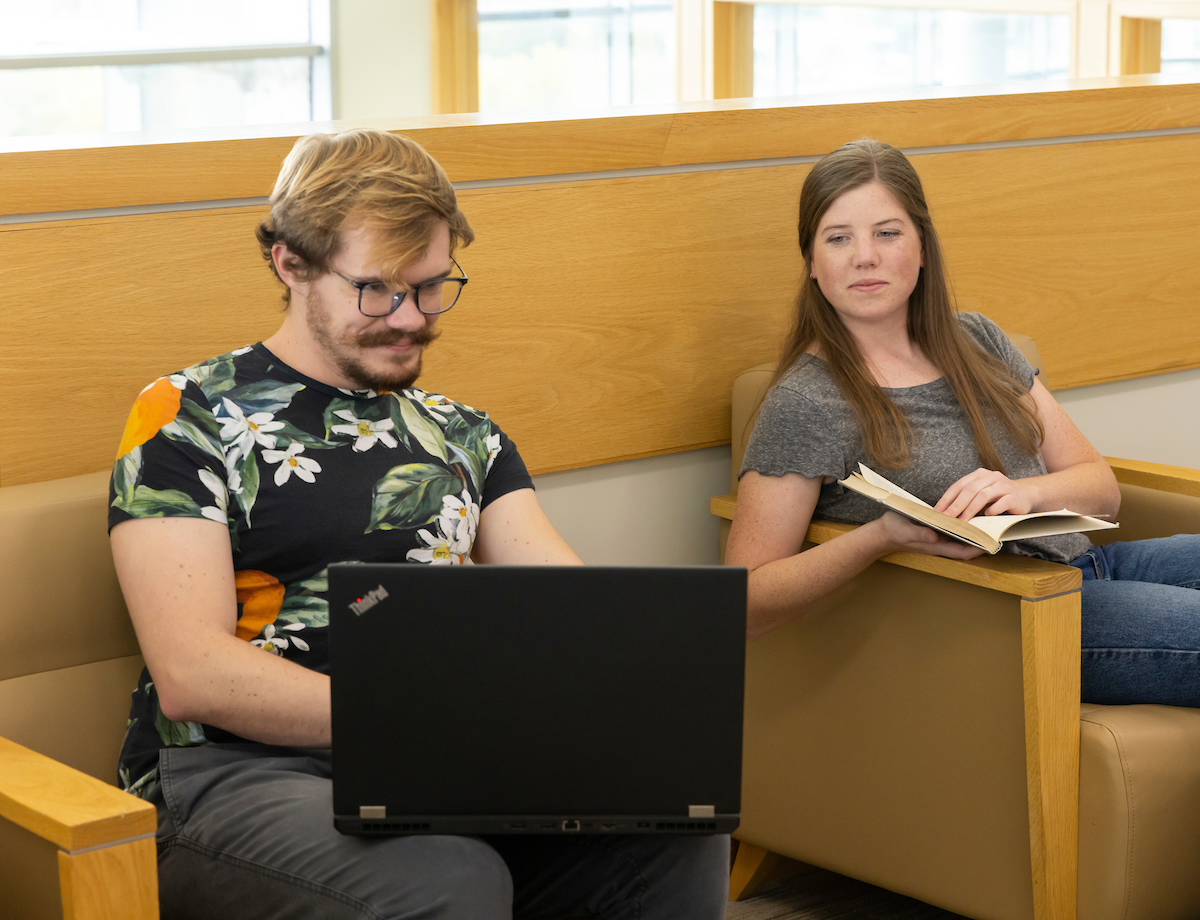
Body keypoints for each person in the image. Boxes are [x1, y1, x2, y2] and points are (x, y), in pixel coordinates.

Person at [109, 129, 729, 919]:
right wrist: (426, 724)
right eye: (376, 290)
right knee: (447, 877)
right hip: (233, 775)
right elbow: (193, 673)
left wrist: (621, 690)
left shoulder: (465, 433)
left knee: (673, 829)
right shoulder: (186, 415)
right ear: (289, 263)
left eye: (432, 286)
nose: (410, 317)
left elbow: (570, 611)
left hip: (435, 764)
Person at [727, 137, 1200, 707]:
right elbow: (744, 604)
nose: (865, 257)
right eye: (838, 238)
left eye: (887, 232)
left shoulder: (979, 339)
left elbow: (1100, 491)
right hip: (1014, 611)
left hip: (1095, 562)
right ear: (811, 262)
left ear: (922, 247)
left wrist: (1023, 493)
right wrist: (880, 538)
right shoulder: (807, 402)